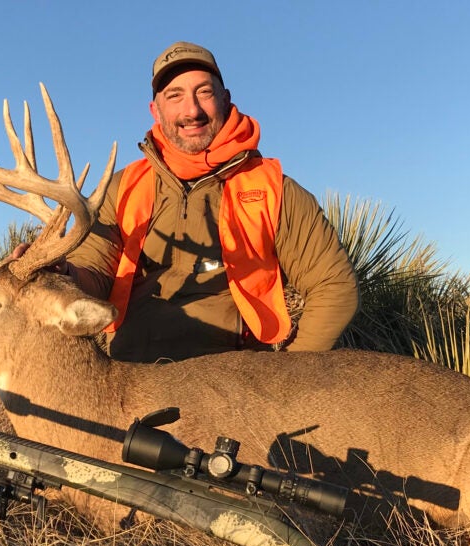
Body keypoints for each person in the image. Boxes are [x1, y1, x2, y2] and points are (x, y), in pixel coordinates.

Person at [63, 41, 359, 363]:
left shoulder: (273, 189)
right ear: (155, 110)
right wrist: (63, 274)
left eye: (204, 92)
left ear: (225, 99)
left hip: (234, 381)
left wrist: (286, 378)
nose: (192, 111)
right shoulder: (124, 187)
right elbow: (95, 272)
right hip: (134, 374)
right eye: (174, 95)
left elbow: (335, 286)